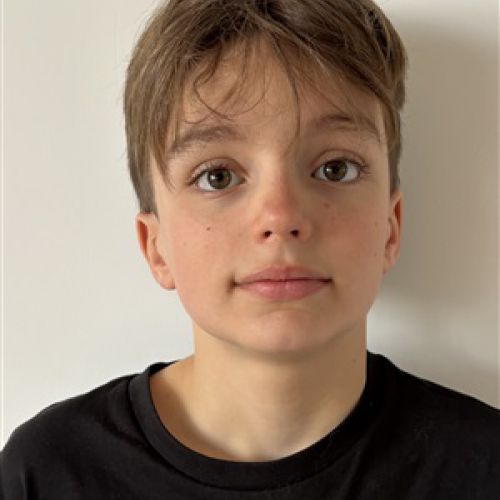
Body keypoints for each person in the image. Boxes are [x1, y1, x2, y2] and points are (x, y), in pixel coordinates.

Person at [1, 0, 499, 498]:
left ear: (391, 227)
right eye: (218, 176)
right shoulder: (48, 474)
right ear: (156, 246)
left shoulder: (484, 468)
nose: (280, 217)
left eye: (335, 168)